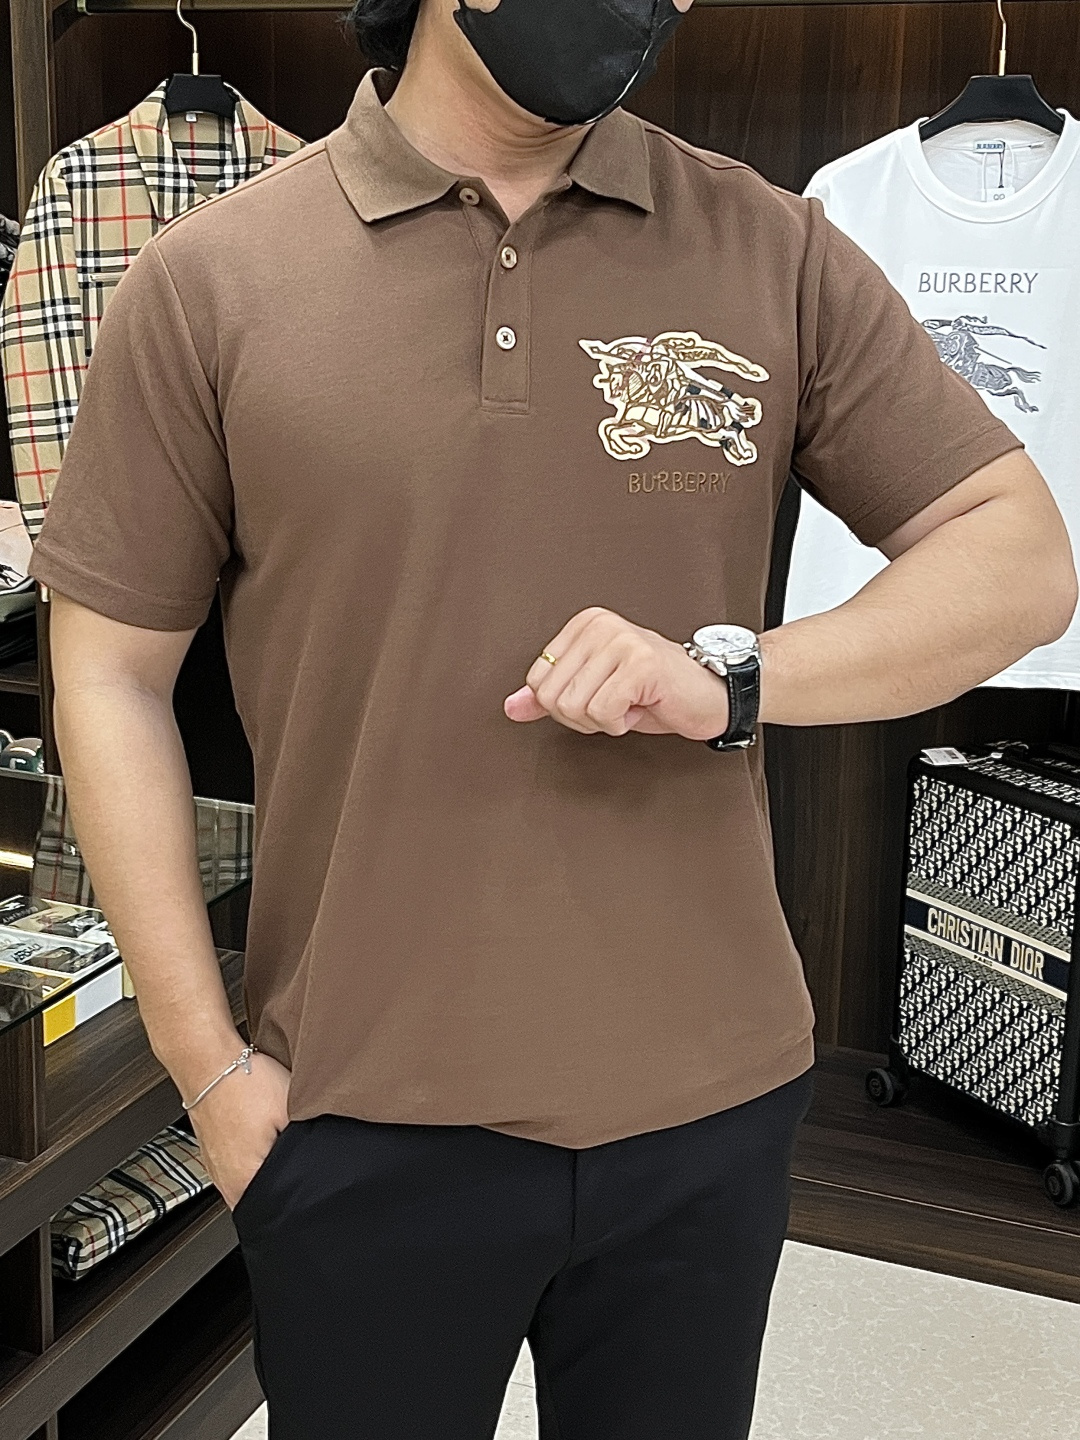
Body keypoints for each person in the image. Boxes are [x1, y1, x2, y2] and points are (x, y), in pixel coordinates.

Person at [29, 1, 1076, 1436]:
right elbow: (107, 670)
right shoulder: (212, 279)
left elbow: (1019, 555)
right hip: (355, 1112)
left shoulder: (768, 245)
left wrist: (737, 676)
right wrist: (204, 1068)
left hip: (708, 1109)